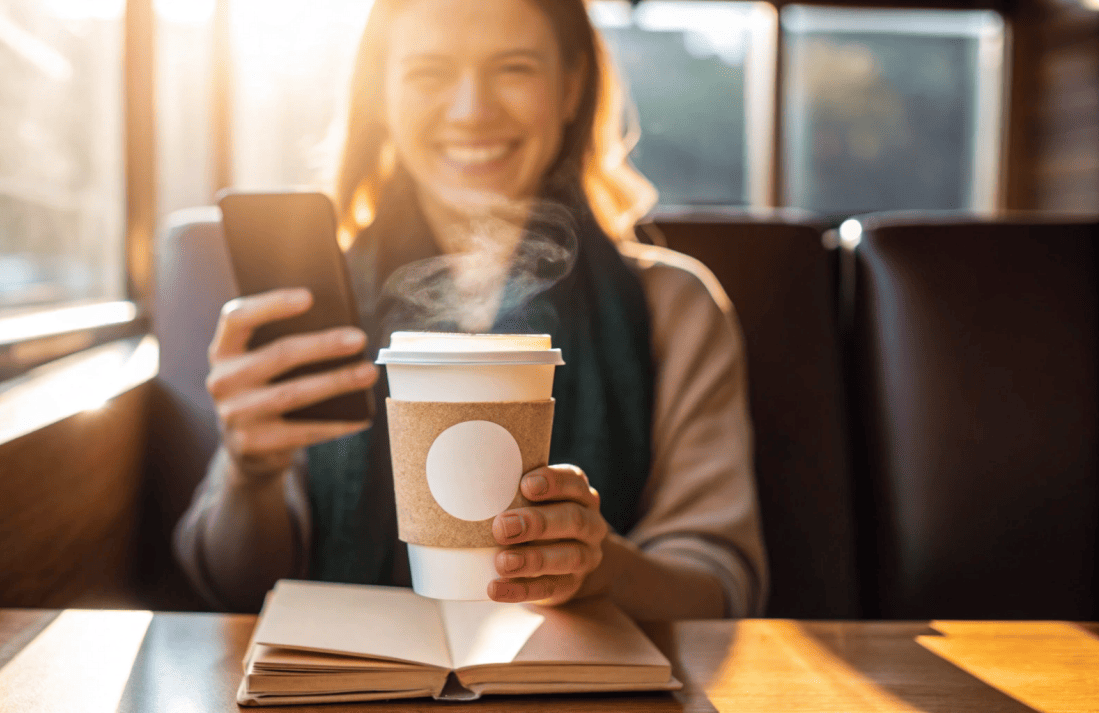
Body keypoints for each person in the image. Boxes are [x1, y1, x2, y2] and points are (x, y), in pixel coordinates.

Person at [175, 0, 767, 621]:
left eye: (514, 69)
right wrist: (250, 472)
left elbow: (720, 587)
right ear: (381, 95)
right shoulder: (315, 308)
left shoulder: (671, 307)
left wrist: (597, 568)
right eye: (429, 72)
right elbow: (229, 586)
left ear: (571, 89)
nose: (471, 110)